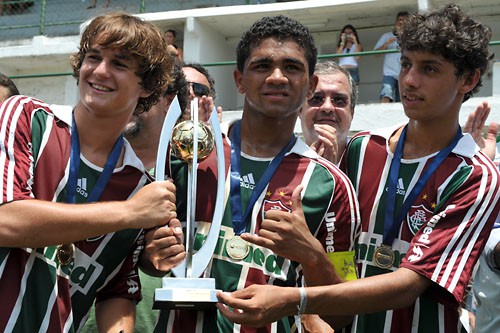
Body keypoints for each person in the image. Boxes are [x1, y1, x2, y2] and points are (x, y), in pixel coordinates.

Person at [217, 5, 500, 333]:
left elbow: (410, 284)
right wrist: (317, 278)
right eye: (406, 64)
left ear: (469, 79)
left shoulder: (476, 175)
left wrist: (297, 299)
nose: (408, 80)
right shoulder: (364, 148)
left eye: (430, 69)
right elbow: (342, 255)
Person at [151, 14, 361, 333]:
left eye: (291, 67)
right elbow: (142, 258)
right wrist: (153, 252)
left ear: (310, 85)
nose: (277, 77)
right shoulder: (190, 153)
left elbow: (344, 311)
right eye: (262, 66)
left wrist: (313, 256)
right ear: (239, 80)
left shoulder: (333, 186)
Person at [0, 12, 179, 333]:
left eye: (120, 64)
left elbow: (116, 292)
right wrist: (128, 213)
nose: (99, 71)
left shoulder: (140, 186)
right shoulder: (28, 117)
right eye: (93, 57)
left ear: (148, 85)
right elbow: (5, 220)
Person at [300, 60, 358, 164]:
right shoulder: (278, 167)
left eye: (339, 100)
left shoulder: (370, 166)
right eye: (316, 99)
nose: (327, 107)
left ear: (352, 112)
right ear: (299, 110)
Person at [374, 10, 409, 103]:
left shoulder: (410, 37)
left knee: (401, 99)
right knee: (386, 92)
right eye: (400, 20)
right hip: (389, 73)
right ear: (396, 22)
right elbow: (376, 54)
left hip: (404, 73)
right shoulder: (387, 36)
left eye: (405, 20)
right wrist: (387, 43)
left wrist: (402, 36)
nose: (401, 22)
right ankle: (382, 115)